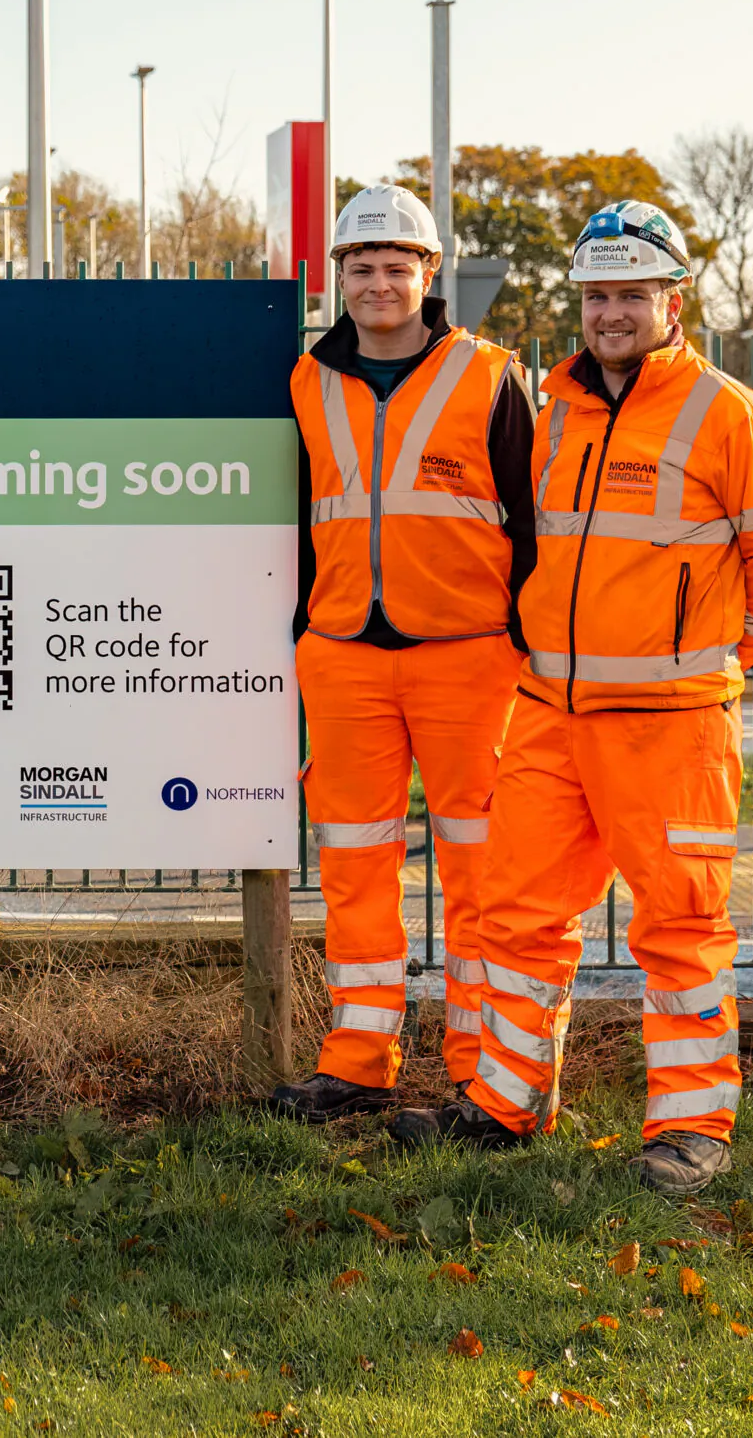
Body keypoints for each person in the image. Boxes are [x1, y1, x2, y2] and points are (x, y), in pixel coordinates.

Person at [390, 200, 753, 1197]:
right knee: (514, 915)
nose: (611, 313)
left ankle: (691, 1126)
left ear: (672, 302)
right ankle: (503, 1103)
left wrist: (711, 659)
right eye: (596, 296)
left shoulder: (728, 415)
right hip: (548, 713)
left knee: (678, 925)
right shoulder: (559, 414)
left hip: (670, 727)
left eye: (630, 294)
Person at [270, 184, 536, 1123]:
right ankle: (356, 1056)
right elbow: (299, 521)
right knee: (352, 861)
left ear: (430, 275)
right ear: (338, 277)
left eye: (398, 267)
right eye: (361, 267)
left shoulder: (491, 374)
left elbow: (531, 523)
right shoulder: (308, 380)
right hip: (342, 652)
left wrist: (527, 641)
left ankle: (480, 1067)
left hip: (471, 656)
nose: (379, 283)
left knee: (484, 868)